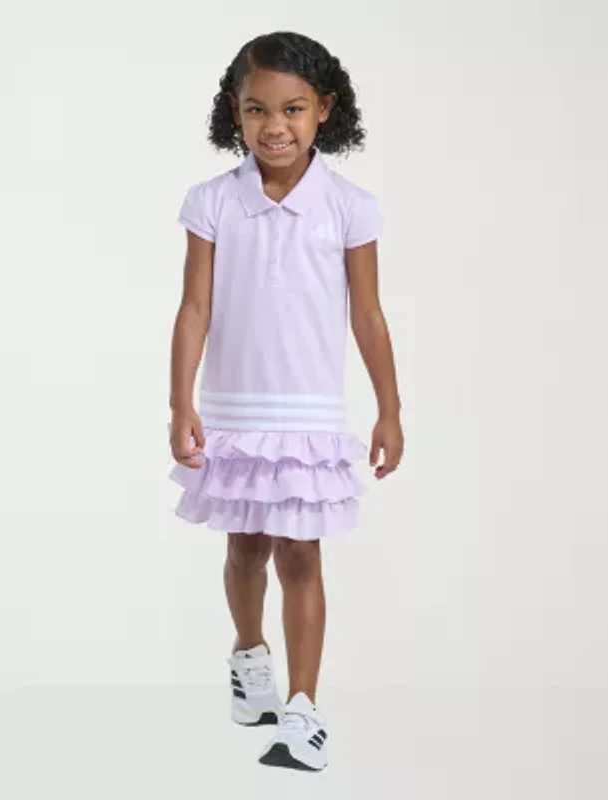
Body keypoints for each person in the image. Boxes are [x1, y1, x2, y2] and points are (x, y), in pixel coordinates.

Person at [168, 31, 404, 772]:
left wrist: (390, 409)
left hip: (308, 414)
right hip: (236, 410)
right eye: (257, 110)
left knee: (302, 552)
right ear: (233, 112)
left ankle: (304, 710)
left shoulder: (349, 207)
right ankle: (250, 656)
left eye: (293, 109)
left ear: (324, 109)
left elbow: (368, 315)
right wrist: (181, 404)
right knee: (246, 545)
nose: (275, 126)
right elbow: (194, 309)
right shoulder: (213, 202)